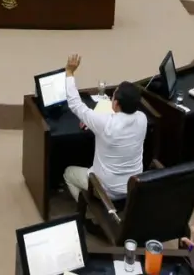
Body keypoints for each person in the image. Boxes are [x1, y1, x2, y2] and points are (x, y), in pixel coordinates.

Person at [62, 54, 146, 203]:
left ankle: (88, 211)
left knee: (68, 173)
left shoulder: (104, 123)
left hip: (106, 189)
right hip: (133, 187)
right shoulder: (142, 119)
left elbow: (76, 104)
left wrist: (69, 72)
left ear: (116, 104)